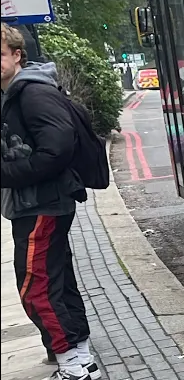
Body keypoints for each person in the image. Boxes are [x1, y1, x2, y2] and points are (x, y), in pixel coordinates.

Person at [1, 24, 101, 380]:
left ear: (17, 55)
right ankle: (81, 359)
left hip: (41, 204)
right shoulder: (16, 92)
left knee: (35, 287)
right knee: (58, 281)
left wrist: (6, 174)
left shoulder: (32, 94)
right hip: (40, 203)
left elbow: (57, 149)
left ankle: (72, 366)